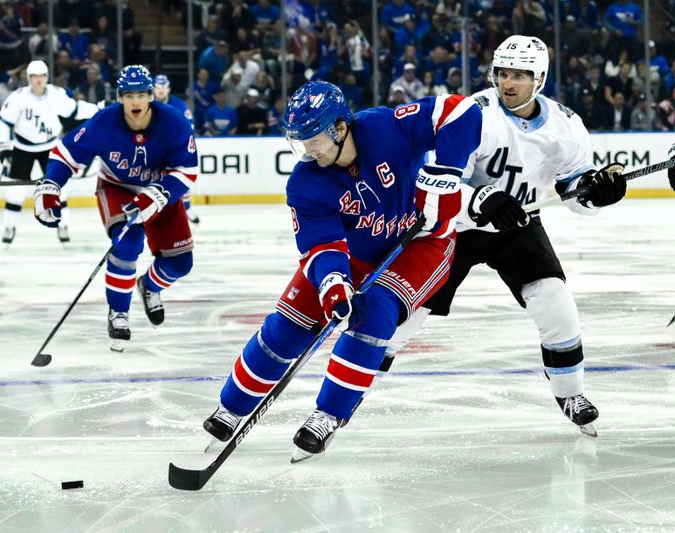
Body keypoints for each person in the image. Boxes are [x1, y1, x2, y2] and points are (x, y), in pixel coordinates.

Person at [201, 80, 482, 460]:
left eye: (313, 138)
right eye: (299, 141)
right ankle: (231, 408)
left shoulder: (386, 127)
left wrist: (445, 175)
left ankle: (328, 414)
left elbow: (460, 111)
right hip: (355, 253)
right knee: (287, 326)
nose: (307, 150)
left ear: (338, 127)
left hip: (421, 245)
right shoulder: (305, 181)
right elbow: (321, 245)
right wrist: (334, 285)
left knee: (376, 312)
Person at [387, 35, 628, 437]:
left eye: (520, 75)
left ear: (540, 79)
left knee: (555, 302)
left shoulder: (566, 125)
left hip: (518, 222)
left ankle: (571, 393)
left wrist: (598, 193)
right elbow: (438, 183)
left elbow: (574, 192)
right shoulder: (472, 113)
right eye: (502, 73)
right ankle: (345, 397)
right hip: (456, 225)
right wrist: (481, 199)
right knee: (403, 317)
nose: (508, 83)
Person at [34, 65, 198, 352]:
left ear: (150, 97)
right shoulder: (103, 122)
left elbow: (187, 170)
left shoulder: (174, 123)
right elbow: (65, 153)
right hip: (116, 188)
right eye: (128, 95)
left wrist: (160, 193)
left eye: (141, 95)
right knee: (127, 242)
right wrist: (51, 185)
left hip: (162, 191)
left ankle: (149, 286)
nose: (135, 101)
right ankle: (119, 312)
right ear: (120, 97)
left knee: (180, 263)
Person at [0, 60, 98, 244]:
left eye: (42, 76)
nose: (38, 80)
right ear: (28, 78)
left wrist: (98, 110)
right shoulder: (18, 97)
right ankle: (9, 227)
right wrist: (3, 148)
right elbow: (1, 122)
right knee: (16, 191)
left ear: (46, 76)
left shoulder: (57, 95)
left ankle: (63, 225)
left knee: (59, 188)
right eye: (34, 76)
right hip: (22, 147)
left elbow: (75, 110)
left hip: (49, 147)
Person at [153, 74, 200, 224]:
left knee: (181, 177)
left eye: (164, 87)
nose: (161, 91)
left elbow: (189, 127)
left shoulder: (179, 105)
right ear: (153, 89)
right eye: (158, 87)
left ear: (169, 89)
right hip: (153, 148)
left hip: (174, 148)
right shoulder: (147, 104)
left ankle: (187, 209)